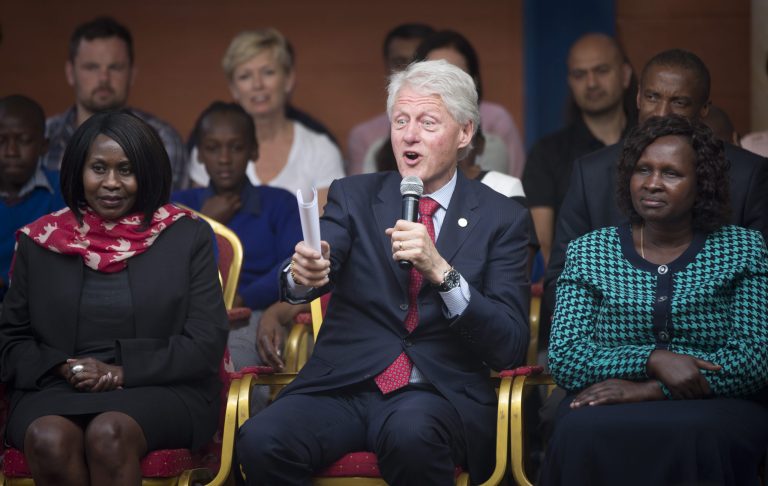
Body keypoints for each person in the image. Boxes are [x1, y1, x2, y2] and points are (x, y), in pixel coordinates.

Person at [236, 60, 530, 484]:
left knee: (411, 435)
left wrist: (441, 271)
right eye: (401, 121)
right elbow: (322, 258)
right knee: (262, 439)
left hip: (434, 392)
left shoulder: (502, 217)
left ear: (465, 133)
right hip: (345, 385)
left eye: (428, 122)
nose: (409, 135)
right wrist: (304, 273)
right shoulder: (354, 197)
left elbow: (511, 345)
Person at [0, 111, 228, 485]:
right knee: (49, 438)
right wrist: (63, 367)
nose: (111, 183)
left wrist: (120, 371)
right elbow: (12, 342)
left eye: (125, 170)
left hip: (159, 388)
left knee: (109, 433)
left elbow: (205, 342)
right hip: (56, 387)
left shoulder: (187, 236)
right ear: (78, 171)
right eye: (98, 168)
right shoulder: (40, 240)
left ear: (148, 172)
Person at [540, 114, 768, 486]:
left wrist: (649, 391)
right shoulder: (590, 252)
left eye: (671, 174)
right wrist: (651, 359)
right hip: (604, 405)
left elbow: (753, 359)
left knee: (701, 436)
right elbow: (566, 357)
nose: (653, 184)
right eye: (642, 170)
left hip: (714, 407)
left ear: (702, 184)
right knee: (578, 433)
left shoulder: (741, 249)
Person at [545, 49, 768, 340]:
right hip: (610, 356)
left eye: (679, 102)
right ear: (638, 98)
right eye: (652, 98)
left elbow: (759, 290)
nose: (662, 113)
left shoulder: (748, 174)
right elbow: (558, 282)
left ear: (704, 109)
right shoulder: (592, 173)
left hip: (709, 355)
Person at [172, 101, 302, 370]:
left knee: (234, 359)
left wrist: (246, 297)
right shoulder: (178, 205)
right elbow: (165, 268)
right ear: (198, 154)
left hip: (253, 313)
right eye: (212, 148)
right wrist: (206, 222)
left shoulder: (279, 203)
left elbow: (294, 262)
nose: (224, 158)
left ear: (253, 150)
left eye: (236, 147)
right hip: (185, 316)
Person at [187, 28, 345, 211]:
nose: (257, 85)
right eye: (245, 76)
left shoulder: (320, 149)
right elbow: (198, 222)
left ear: (288, 79)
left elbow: (326, 231)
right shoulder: (210, 149)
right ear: (233, 88)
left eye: (268, 72)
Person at [523, 33, 636, 266]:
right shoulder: (546, 153)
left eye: (602, 70)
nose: (591, 83)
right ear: (570, 82)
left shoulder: (651, 146)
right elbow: (544, 247)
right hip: (577, 285)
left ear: (625, 75)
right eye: (580, 74)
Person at [42, 16, 188, 191]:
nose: (104, 78)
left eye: (115, 67)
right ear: (70, 73)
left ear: (132, 74)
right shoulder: (41, 137)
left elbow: (168, 215)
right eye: (91, 67)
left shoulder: (162, 139)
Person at [366, 30, 526, 179]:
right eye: (431, 75)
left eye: (455, 75)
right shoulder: (381, 150)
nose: (410, 136)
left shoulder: (491, 147)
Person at [346, 22, 435, 175]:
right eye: (400, 62)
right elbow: (360, 196)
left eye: (418, 62)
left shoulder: (486, 121)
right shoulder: (366, 137)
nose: (409, 71)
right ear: (386, 66)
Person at [0, 95, 64, 302]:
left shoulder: (63, 192)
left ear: (44, 146)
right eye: (1, 140)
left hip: (43, 311)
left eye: (24, 140)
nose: (11, 152)